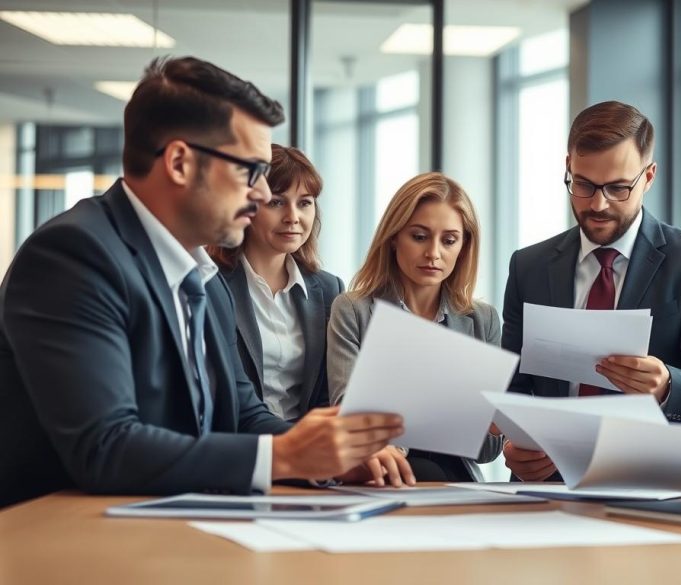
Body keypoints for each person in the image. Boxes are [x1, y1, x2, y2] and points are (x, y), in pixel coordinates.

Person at [0, 56, 403, 508]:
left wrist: (330, 456)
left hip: (168, 518)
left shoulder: (205, 281)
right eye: (249, 171)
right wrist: (285, 456)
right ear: (179, 163)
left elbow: (243, 415)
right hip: (62, 529)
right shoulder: (74, 256)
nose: (262, 194)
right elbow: (106, 446)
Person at [501, 100, 681, 481]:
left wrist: (666, 385)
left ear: (649, 176)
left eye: (618, 188)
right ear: (568, 167)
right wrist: (515, 445)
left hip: (651, 486)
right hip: (546, 486)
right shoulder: (528, 266)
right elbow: (513, 387)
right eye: (583, 185)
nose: (598, 204)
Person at [327, 172, 502, 482]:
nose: (433, 253)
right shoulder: (353, 310)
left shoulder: (482, 319)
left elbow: (488, 450)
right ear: (394, 237)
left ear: (463, 246)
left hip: (457, 480)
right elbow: (350, 419)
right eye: (419, 237)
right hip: (383, 475)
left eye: (449, 241)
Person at [208, 144, 344, 421]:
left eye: (304, 203)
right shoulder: (211, 284)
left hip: (312, 439)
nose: (293, 217)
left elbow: (330, 393)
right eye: (276, 202)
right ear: (247, 206)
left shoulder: (330, 290)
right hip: (244, 439)